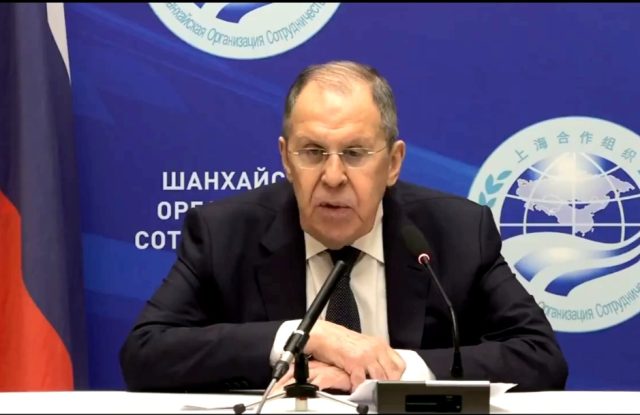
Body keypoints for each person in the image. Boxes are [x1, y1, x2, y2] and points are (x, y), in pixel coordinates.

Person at [119, 60, 568, 394]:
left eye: (355, 153)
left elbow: (540, 356)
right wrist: (304, 337)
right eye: (313, 152)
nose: (333, 177)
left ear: (393, 163)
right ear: (285, 158)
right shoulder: (225, 233)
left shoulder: (457, 232)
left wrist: (393, 371)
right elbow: (144, 354)